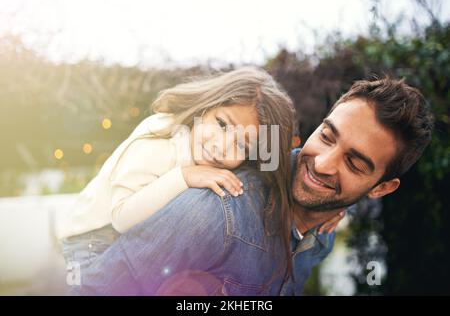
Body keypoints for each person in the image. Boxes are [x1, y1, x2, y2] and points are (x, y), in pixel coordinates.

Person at [71, 76, 433, 296]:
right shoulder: (213, 210)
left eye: (354, 163)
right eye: (326, 135)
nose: (322, 164)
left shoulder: (323, 232)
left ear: (380, 189)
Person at [57, 67, 344, 282]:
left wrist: (322, 207)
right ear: (206, 107)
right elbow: (121, 218)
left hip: (134, 245)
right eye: (221, 124)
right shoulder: (158, 139)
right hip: (91, 244)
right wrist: (185, 176)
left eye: (242, 144)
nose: (221, 147)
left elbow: (270, 174)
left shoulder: (222, 160)